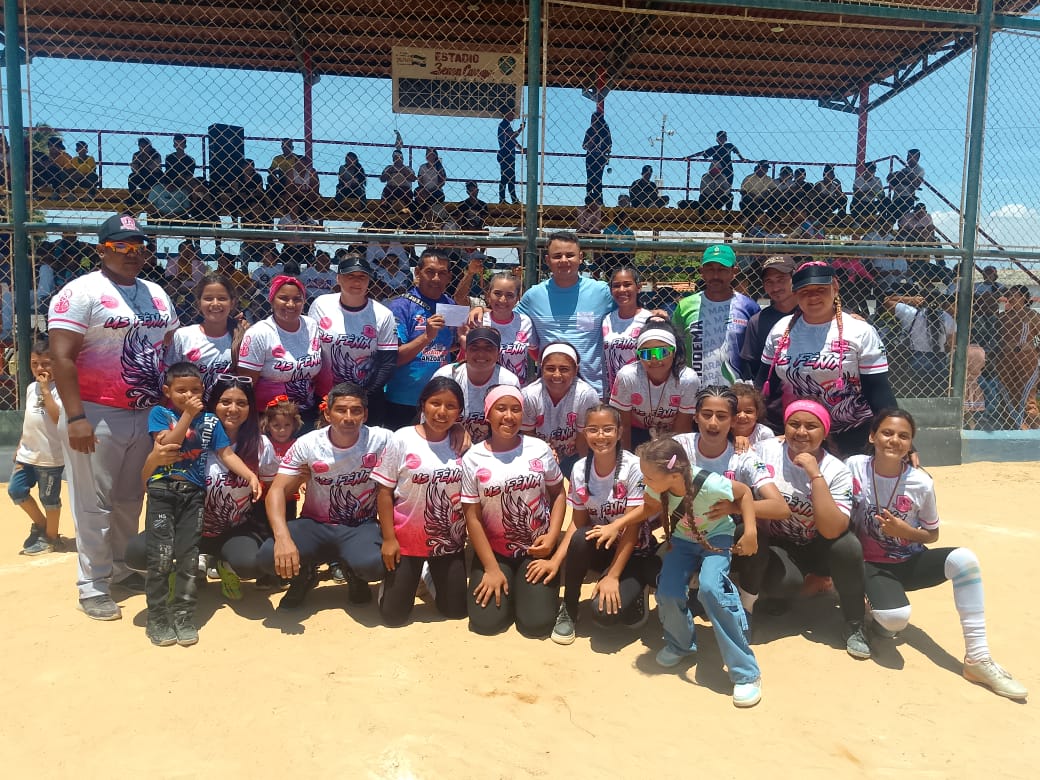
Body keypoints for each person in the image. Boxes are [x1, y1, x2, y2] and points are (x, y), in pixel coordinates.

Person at [48, 214, 179, 620]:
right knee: (94, 503)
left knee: (129, 498)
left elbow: (168, 344)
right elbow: (61, 357)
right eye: (121, 246)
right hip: (95, 411)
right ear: (101, 250)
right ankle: (92, 584)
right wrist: (76, 417)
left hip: (144, 411)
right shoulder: (81, 291)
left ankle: (121, 568)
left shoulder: (156, 293)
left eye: (139, 246)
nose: (132, 253)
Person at [847, 409, 1027, 698]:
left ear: (911, 443)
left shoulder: (921, 482)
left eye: (904, 436)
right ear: (872, 436)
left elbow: (932, 534)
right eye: (887, 433)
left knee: (965, 559)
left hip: (909, 561)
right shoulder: (854, 466)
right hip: (870, 565)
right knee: (895, 618)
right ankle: (876, 618)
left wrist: (906, 531)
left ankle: (978, 659)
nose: (894, 440)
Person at [638, 435, 763, 708]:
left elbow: (744, 493)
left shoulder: (710, 483)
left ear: (673, 475)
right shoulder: (658, 486)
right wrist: (616, 525)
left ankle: (746, 672)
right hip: (682, 540)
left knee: (711, 589)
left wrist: (751, 531)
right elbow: (646, 508)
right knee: (668, 591)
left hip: (716, 537)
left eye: (648, 477)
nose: (644, 481)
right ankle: (680, 644)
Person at [140, 362, 260, 646]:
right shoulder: (160, 414)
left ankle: (183, 615)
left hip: (193, 494)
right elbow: (169, 444)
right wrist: (187, 415)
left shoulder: (210, 422)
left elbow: (226, 453)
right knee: (160, 557)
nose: (188, 395)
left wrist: (250, 475)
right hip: (163, 491)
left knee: (188, 556)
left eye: (195, 390)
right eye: (181, 390)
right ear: (167, 391)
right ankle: (157, 617)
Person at [257, 382, 393, 609]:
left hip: (359, 525)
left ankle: (354, 573)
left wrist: (455, 431)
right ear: (328, 414)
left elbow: (420, 440)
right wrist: (283, 539)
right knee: (267, 557)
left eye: (356, 411)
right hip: (315, 524)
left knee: (375, 565)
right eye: (340, 410)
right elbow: (276, 491)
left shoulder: (382, 439)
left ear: (365, 415)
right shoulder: (308, 443)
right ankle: (304, 575)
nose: (348, 417)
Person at [752, 401, 871, 659]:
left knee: (848, 546)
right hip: (780, 543)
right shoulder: (765, 450)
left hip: (820, 545)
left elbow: (832, 530)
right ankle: (785, 593)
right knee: (783, 584)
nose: (801, 432)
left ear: (825, 432)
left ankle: (855, 623)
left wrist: (815, 475)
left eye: (811, 426)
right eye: (794, 424)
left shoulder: (836, 470)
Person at [758, 261, 896, 455]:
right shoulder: (780, 330)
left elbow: (878, 390)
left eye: (821, 289)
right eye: (805, 291)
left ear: (835, 288)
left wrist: (895, 434)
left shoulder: (860, 331)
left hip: (853, 433)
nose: (813, 296)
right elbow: (764, 386)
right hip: (800, 433)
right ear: (795, 293)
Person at [461, 385, 566, 637]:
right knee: (486, 623)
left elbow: (558, 493)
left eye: (515, 409)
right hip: (495, 552)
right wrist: (491, 568)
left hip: (537, 549)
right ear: (488, 414)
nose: (509, 416)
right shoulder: (473, 458)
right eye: (501, 409)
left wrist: (552, 536)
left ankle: (527, 595)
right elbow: (472, 517)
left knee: (536, 625)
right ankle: (513, 587)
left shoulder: (539, 449)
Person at [548, 405, 653, 645]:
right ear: (584, 433)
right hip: (602, 547)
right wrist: (556, 561)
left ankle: (637, 589)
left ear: (619, 432)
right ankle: (569, 608)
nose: (601, 436)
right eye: (593, 429)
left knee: (604, 615)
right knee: (580, 537)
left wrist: (613, 576)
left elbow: (633, 528)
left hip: (633, 550)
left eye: (608, 429)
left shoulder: (635, 467)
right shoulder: (578, 469)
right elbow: (577, 523)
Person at [372, 377, 470, 625]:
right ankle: (400, 580)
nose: (442, 412)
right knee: (393, 617)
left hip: (448, 541)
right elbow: (384, 491)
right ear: (423, 404)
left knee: (456, 611)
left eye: (451, 406)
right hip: (405, 540)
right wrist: (389, 539)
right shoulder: (402, 438)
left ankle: (428, 574)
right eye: (435, 403)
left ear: (459, 411)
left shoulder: (463, 444)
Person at [516, 232, 615, 396]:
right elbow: (505, 318)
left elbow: (630, 314)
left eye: (570, 255)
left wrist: (654, 314)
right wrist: (481, 310)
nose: (563, 260)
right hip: (548, 391)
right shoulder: (534, 296)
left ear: (580, 257)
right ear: (547, 260)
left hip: (593, 390)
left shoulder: (601, 292)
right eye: (557, 256)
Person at [384, 249, 465, 422]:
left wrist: (464, 338)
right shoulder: (400, 306)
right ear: (417, 272)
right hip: (404, 399)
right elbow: (395, 358)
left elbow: (450, 346)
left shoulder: (450, 305)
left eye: (442, 273)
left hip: (439, 399)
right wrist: (426, 337)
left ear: (449, 277)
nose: (436, 278)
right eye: (430, 272)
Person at [308, 252, 398, 407]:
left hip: (365, 398)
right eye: (350, 276)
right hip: (323, 396)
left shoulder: (383, 314)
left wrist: (362, 396)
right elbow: (310, 348)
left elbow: (387, 363)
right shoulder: (320, 305)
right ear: (338, 278)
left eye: (362, 277)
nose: (357, 281)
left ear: (369, 280)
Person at [238, 275, 324, 429]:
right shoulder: (259, 333)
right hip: (269, 419)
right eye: (283, 298)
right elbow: (246, 385)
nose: (291, 304)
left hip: (306, 414)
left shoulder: (311, 326)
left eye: (297, 299)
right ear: (271, 300)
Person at [672, 244, 760, 386]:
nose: (715, 276)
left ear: (734, 271)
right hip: (695, 390)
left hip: (736, 392)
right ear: (702, 271)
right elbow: (675, 349)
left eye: (722, 269)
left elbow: (756, 354)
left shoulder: (749, 307)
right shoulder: (685, 306)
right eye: (710, 269)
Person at [10, 337, 65, 555]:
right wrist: (20, 445)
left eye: (45, 363)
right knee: (16, 491)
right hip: (27, 453)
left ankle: (52, 538)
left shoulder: (61, 389)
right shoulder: (31, 388)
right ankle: (42, 524)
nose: (40, 368)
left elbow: (57, 418)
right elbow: (30, 419)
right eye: (35, 364)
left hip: (49, 457)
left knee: (49, 498)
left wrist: (46, 389)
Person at [610, 320, 699, 449]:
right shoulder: (628, 377)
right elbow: (624, 428)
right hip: (636, 433)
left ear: (674, 352)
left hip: (672, 434)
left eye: (662, 352)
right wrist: (626, 458)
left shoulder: (687, 379)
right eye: (646, 354)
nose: (655, 359)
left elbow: (682, 430)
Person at [164, 273, 246, 402]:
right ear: (199, 303)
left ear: (232, 302)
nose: (215, 303)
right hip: (190, 408)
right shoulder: (184, 336)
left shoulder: (243, 337)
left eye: (222, 298)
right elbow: (169, 378)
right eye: (208, 298)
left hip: (228, 410)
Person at [521, 342, 599, 475]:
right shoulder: (529, 395)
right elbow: (527, 436)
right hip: (539, 455)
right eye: (550, 369)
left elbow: (583, 441)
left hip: (573, 457)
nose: (557, 375)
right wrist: (544, 452)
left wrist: (584, 473)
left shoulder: (585, 395)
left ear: (576, 370)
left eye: (564, 369)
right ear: (541, 368)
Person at [434, 327, 521, 442]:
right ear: (466, 351)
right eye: (474, 348)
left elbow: (512, 425)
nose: (481, 353)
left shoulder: (508, 382)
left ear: (498, 352)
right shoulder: (446, 375)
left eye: (489, 348)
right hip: (449, 443)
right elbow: (430, 421)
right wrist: (453, 427)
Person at [882, 289, 955, 397]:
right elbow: (951, 343)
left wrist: (910, 299)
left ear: (922, 300)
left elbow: (886, 301)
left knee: (916, 393)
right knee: (937, 394)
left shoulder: (911, 313)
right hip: (939, 359)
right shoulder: (947, 318)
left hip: (917, 358)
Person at [739, 255, 798, 381]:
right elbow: (750, 369)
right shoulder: (758, 322)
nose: (775, 288)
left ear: (795, 278)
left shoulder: (811, 314)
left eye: (781, 280)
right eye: (769, 282)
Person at [993, 284, 1040, 429]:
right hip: (1006, 361)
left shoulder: (1032, 315)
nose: (1010, 297)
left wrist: (1032, 347)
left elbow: (1038, 337)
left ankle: (1033, 427)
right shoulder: (1003, 316)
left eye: (1014, 294)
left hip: (1026, 361)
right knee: (1007, 396)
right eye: (1009, 294)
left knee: (1027, 396)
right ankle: (1012, 426)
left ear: (1024, 297)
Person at [602, 266, 652, 397]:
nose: (622, 290)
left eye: (627, 284)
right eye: (616, 286)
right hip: (614, 392)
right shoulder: (607, 320)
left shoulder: (648, 320)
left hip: (643, 391)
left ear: (638, 287)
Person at [481, 271, 538, 384]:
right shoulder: (479, 322)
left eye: (509, 295)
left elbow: (535, 353)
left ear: (517, 299)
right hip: (485, 386)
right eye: (497, 293)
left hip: (516, 387)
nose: (503, 300)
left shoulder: (524, 322)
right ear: (488, 295)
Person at [582, 111, 612, 205]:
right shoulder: (590, 131)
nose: (593, 122)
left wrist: (605, 151)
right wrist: (593, 138)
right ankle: (589, 197)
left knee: (598, 178)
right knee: (590, 177)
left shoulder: (604, 131)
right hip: (591, 156)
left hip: (600, 157)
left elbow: (609, 145)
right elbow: (584, 146)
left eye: (595, 120)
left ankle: (598, 197)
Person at [497, 107, 524, 204]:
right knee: (506, 177)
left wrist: (521, 148)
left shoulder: (506, 125)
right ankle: (504, 199)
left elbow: (512, 139)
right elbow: (512, 136)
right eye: (511, 113)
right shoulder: (504, 124)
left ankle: (512, 198)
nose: (513, 116)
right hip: (505, 154)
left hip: (508, 154)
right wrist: (520, 129)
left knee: (511, 177)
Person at [887, 148, 924, 220]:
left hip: (907, 197)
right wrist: (903, 177)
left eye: (910, 157)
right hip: (896, 196)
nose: (907, 159)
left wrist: (903, 178)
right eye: (908, 157)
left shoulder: (919, 170)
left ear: (917, 158)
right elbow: (890, 179)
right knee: (890, 218)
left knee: (903, 220)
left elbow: (916, 184)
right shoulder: (904, 170)